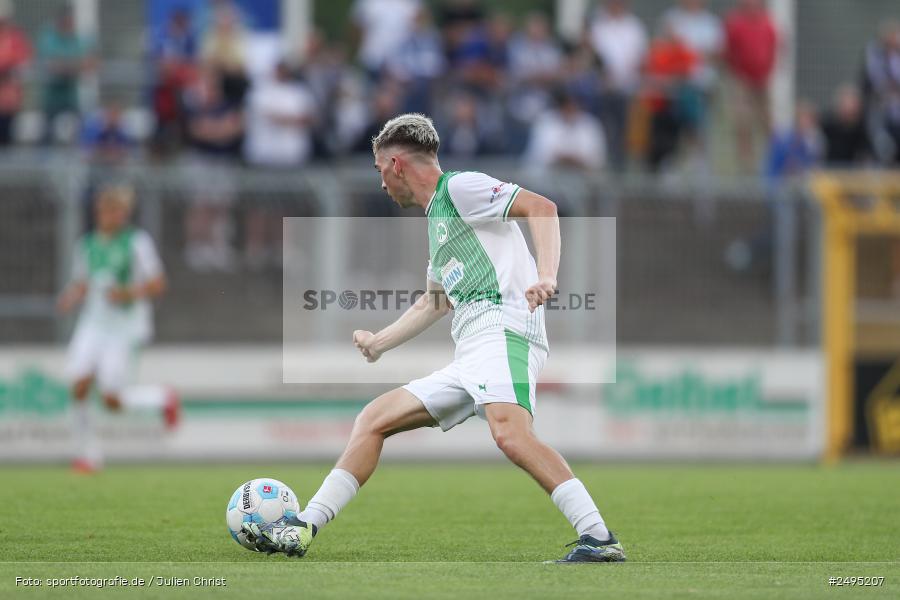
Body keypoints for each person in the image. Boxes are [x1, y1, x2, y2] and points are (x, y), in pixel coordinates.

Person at [242, 114, 626, 563]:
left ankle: (599, 538)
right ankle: (304, 527)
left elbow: (542, 207)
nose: (381, 183)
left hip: (503, 328)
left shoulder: (459, 188)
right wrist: (379, 342)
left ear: (396, 165)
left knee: (511, 434)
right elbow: (434, 302)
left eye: (379, 169)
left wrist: (546, 276)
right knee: (374, 419)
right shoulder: (438, 220)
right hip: (471, 349)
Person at [57, 186, 179, 473]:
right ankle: (87, 454)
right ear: (100, 212)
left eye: (120, 211)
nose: (114, 216)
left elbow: (158, 283)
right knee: (79, 383)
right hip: (92, 324)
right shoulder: (86, 245)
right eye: (109, 210)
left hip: (124, 328)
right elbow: (83, 282)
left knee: (112, 399)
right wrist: (70, 297)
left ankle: (162, 397)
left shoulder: (137, 242)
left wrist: (128, 293)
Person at [588, 0, 647, 169]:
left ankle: (620, 166)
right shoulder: (598, 25)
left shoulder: (635, 27)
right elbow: (593, 56)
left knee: (624, 133)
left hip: (627, 89)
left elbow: (640, 59)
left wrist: (624, 77)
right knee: (602, 130)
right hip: (601, 89)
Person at [723, 0, 778, 170]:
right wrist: (738, 73)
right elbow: (728, 51)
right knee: (743, 122)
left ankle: (773, 163)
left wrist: (766, 73)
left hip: (762, 81)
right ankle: (746, 165)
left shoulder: (768, 23)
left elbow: (774, 49)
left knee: (767, 123)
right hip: (742, 81)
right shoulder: (734, 23)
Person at [37, 6, 95, 142]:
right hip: (52, 96)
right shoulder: (48, 36)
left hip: (71, 96)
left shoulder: (77, 38)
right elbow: (51, 65)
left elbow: (91, 62)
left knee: (81, 129)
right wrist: (75, 65)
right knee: (47, 133)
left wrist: (67, 65)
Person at [524, 90, 606, 171]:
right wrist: (563, 159)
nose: (571, 109)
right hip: (548, 175)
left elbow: (597, 158)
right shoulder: (545, 120)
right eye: (567, 105)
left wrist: (575, 160)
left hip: (582, 175)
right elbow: (539, 154)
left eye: (575, 105)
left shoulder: (591, 123)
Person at [0, 0, 31, 146]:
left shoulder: (15, 37)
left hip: (9, 98)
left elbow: (22, 60)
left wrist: (8, 67)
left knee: (7, 134)